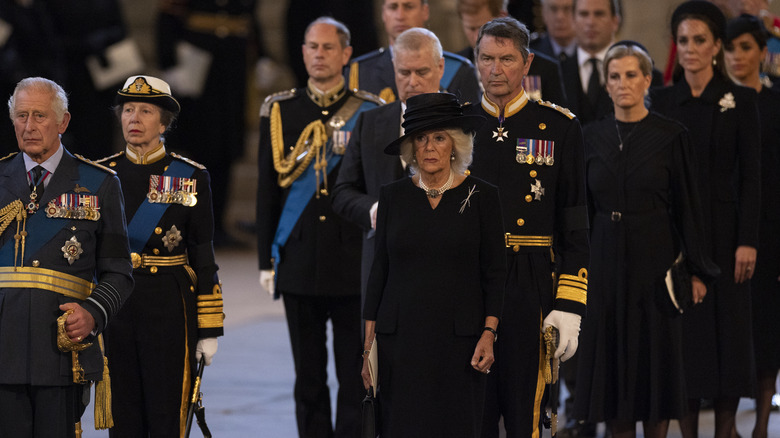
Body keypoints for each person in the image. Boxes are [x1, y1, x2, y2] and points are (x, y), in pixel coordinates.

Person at [573, 41, 720, 438]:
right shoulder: (590, 137)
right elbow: (579, 211)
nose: (623, 84)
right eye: (615, 76)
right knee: (613, 374)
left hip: (655, 261)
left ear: (647, 79)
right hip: (604, 263)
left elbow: (689, 207)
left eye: (631, 75)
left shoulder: (671, 136)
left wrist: (697, 270)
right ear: (605, 84)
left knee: (655, 369)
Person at [256, 17, 382, 438]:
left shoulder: (369, 110)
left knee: (353, 373)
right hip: (299, 259)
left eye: (328, 47)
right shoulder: (280, 110)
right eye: (312, 46)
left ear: (346, 54)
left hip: (351, 262)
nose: (318, 54)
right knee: (308, 376)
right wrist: (265, 259)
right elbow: (266, 192)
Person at [466, 17, 590, 438]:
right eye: (486, 58)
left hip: (530, 280)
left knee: (529, 411)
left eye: (506, 59)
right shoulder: (456, 127)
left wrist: (571, 303)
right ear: (475, 60)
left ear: (527, 63)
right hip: (468, 281)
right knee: (471, 408)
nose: (495, 69)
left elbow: (575, 223)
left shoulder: (559, 127)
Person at [362, 92, 506, 437]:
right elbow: (379, 271)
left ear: (454, 145)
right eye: (421, 139)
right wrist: (367, 348)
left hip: (461, 342)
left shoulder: (483, 196)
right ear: (411, 147)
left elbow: (496, 273)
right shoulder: (393, 196)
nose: (429, 147)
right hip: (402, 344)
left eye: (439, 138)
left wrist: (489, 333)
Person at [650, 2, 761, 438]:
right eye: (683, 41)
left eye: (699, 40)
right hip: (677, 232)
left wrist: (747, 240)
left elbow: (751, 178)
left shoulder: (741, 100)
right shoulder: (661, 100)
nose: (691, 49)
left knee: (730, 334)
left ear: (717, 46)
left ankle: (726, 430)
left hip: (727, 232)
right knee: (687, 336)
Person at [0, 77, 133, 436]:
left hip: (59, 351)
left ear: (63, 122)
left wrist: (93, 313)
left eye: (40, 116)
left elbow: (119, 271)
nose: (29, 126)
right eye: (21, 116)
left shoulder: (99, 183)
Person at [95, 75, 224, 437]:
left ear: (164, 122)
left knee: (167, 411)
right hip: (116, 305)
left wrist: (210, 327)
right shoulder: (100, 175)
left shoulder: (191, 176)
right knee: (122, 412)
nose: (134, 118)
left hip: (169, 306)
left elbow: (202, 254)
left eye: (146, 111)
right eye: (128, 110)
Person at [332, 27, 445, 298]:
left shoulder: (464, 124)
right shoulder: (370, 123)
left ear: (440, 67)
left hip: (444, 272)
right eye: (404, 73)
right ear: (394, 68)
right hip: (381, 274)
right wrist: (373, 210)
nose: (413, 81)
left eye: (422, 72)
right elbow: (342, 192)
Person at [157, 0, 262, 246]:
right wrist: (168, 63)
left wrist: (261, 56)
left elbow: (250, 21)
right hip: (196, 71)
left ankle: (216, 226)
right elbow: (167, 17)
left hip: (233, 70)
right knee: (193, 148)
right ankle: (185, 224)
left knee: (226, 147)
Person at [723, 14, 780, 438]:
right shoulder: (715, 101)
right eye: (730, 48)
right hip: (725, 227)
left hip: (770, 227)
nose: (737, 56)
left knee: (766, 326)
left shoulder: (776, 103)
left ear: (763, 52)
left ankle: (761, 422)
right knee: (728, 327)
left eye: (745, 47)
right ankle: (729, 423)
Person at [345, 0, 480, 104]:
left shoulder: (459, 70)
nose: (400, 16)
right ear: (383, 14)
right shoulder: (359, 72)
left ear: (425, 11)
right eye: (393, 7)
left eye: (408, 7)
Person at [456, 0, 568, 105]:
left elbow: (559, 122)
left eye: (483, 29)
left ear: (502, 17)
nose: (477, 37)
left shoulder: (544, 69)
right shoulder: (454, 69)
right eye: (471, 29)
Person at [560, 0, 620, 125]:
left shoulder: (642, 75)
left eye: (599, 14)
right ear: (573, 21)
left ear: (615, 22)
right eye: (583, 14)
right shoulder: (556, 72)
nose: (590, 22)